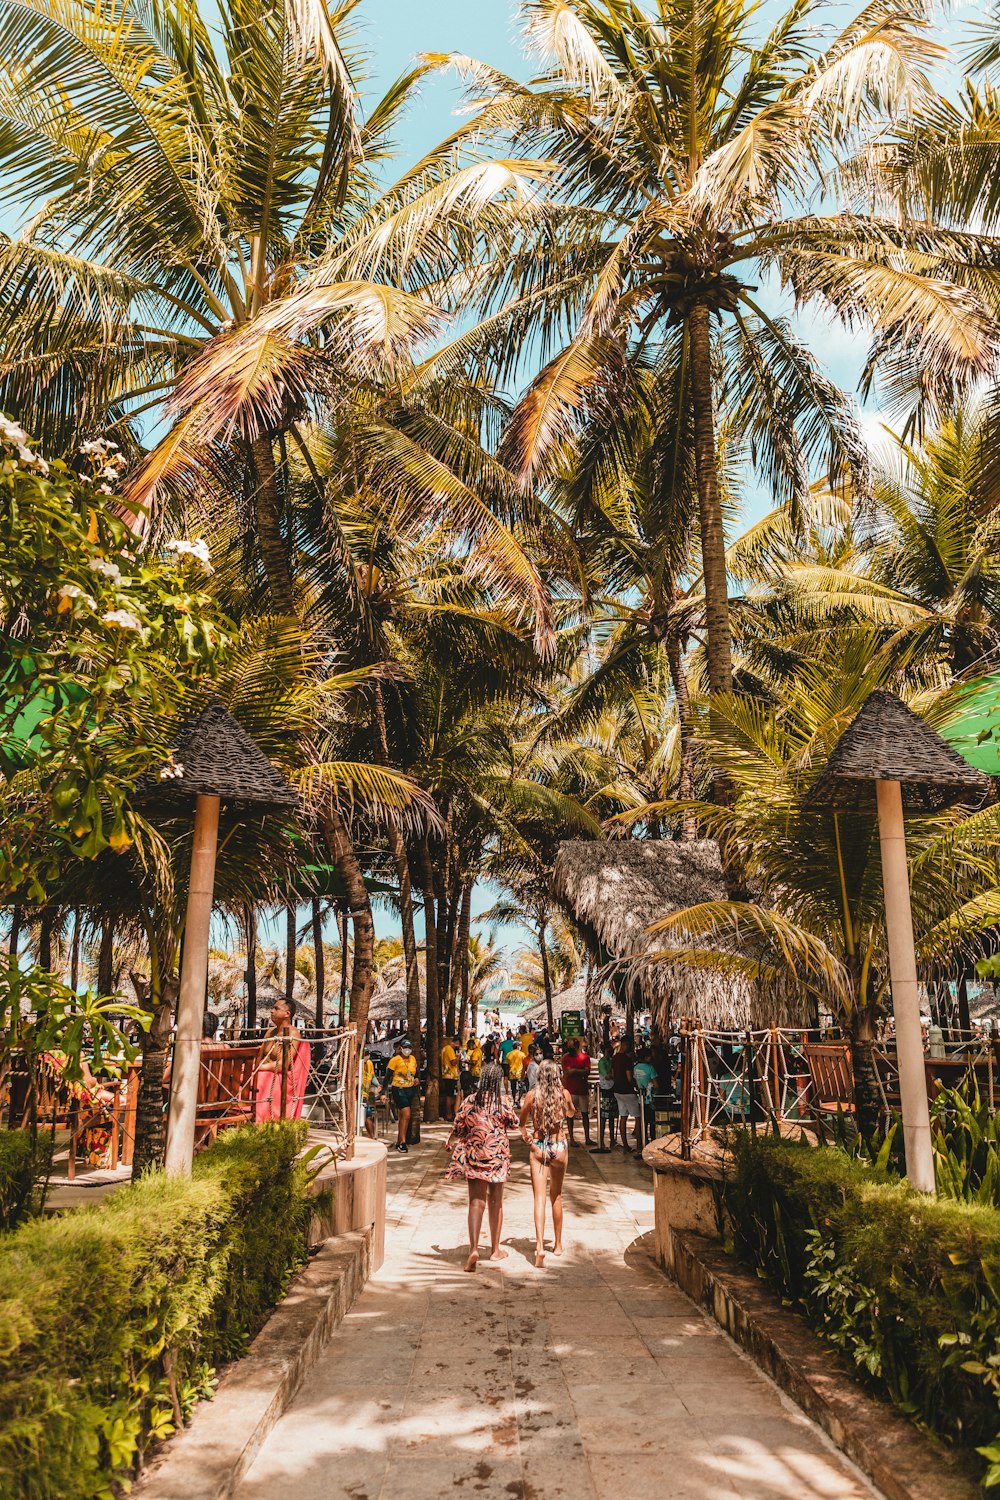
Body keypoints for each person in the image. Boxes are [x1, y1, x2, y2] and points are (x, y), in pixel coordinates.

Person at [445, 1062, 520, 1272]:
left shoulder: (470, 1101)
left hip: (475, 1155)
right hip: (497, 1157)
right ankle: (495, 1250)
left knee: (476, 1203)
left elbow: (459, 1126)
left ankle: (474, 1249)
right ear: (497, 1081)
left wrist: (449, 1140)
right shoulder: (503, 1102)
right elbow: (514, 1123)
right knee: (496, 1202)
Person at [519, 1059, 576, 1268]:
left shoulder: (532, 1096)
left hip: (539, 1147)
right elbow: (571, 1112)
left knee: (539, 1198)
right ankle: (558, 1244)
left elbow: (522, 1123)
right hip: (559, 1146)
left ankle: (540, 1246)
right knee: (557, 1196)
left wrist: (526, 1136)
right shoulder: (564, 1094)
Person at [255, 999, 311, 1122]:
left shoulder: (293, 1034)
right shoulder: (270, 1032)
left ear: (287, 1013)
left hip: (279, 1076)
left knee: (259, 1078)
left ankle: (261, 1119)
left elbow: (283, 1065)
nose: (271, 1011)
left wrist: (258, 1068)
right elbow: (259, 1057)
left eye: (276, 1008)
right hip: (264, 1071)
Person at [384, 1038, 418, 1152]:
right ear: (401, 1049)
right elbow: (387, 1077)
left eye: (409, 1048)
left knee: (404, 1116)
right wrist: (383, 1092)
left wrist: (416, 1079)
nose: (407, 1050)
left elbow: (415, 1073)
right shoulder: (395, 1060)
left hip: (410, 1088)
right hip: (398, 1088)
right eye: (405, 1048)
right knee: (406, 1113)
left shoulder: (413, 1059)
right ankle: (403, 1142)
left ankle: (399, 1140)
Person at [561, 1033, 592, 1146]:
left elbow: (587, 1071)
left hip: (582, 1089)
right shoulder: (566, 1058)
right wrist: (580, 1071)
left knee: (585, 1114)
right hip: (571, 1090)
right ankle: (572, 1139)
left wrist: (574, 1071)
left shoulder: (585, 1058)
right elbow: (568, 1072)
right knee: (570, 1114)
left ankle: (587, 1138)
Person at [611, 1038, 640, 1153]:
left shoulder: (614, 1058)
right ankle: (639, 1145)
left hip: (617, 1090)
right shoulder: (627, 1060)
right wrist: (636, 1085)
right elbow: (629, 1078)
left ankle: (625, 1145)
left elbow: (613, 1074)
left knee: (623, 1117)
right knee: (638, 1118)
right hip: (627, 1091)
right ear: (625, 1045)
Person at [593, 1044, 617, 1153]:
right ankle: (601, 1140)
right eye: (609, 1050)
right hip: (605, 1089)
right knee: (604, 1116)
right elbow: (607, 1075)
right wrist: (614, 1074)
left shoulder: (611, 1061)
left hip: (612, 1089)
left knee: (612, 1116)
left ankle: (612, 1139)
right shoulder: (602, 1062)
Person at [633, 1047, 658, 1146]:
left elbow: (635, 1080)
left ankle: (642, 1141)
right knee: (652, 1122)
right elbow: (656, 1085)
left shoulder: (635, 1068)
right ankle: (653, 1141)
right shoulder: (650, 1068)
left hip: (640, 1099)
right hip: (650, 1099)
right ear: (646, 1057)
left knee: (643, 1122)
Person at [440, 1034, 459, 1121]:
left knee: (449, 1095)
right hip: (450, 1075)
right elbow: (453, 1062)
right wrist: (458, 1057)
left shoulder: (444, 1049)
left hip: (446, 1074)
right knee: (449, 1095)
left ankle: (448, 1113)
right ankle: (448, 1114)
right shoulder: (450, 1049)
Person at [362, 1049, 378, 1140]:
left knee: (368, 1115)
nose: (366, 1056)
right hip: (359, 1094)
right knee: (367, 1115)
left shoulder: (369, 1063)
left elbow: (372, 1076)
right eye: (365, 1054)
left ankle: (372, 1136)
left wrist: (377, 1085)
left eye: (367, 1054)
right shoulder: (358, 1065)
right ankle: (371, 1136)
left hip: (366, 1094)